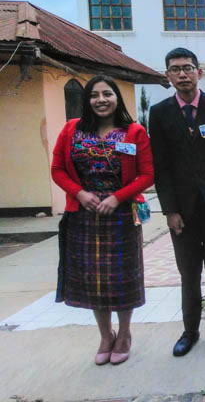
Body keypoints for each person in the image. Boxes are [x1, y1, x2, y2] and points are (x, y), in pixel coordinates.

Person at [51, 75, 154, 365]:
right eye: (94, 95)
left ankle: (124, 334)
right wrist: (79, 193)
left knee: (121, 278)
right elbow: (57, 169)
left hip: (121, 216)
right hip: (83, 215)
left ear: (117, 98)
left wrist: (117, 197)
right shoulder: (71, 129)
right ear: (87, 100)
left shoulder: (133, 132)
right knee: (93, 280)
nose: (101, 100)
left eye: (107, 94)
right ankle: (105, 335)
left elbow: (147, 175)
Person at [149, 47, 205, 357]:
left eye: (188, 68)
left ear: (199, 73)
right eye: (175, 69)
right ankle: (189, 331)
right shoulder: (159, 113)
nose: (183, 74)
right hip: (183, 212)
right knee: (189, 274)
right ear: (168, 76)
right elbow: (160, 166)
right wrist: (170, 210)